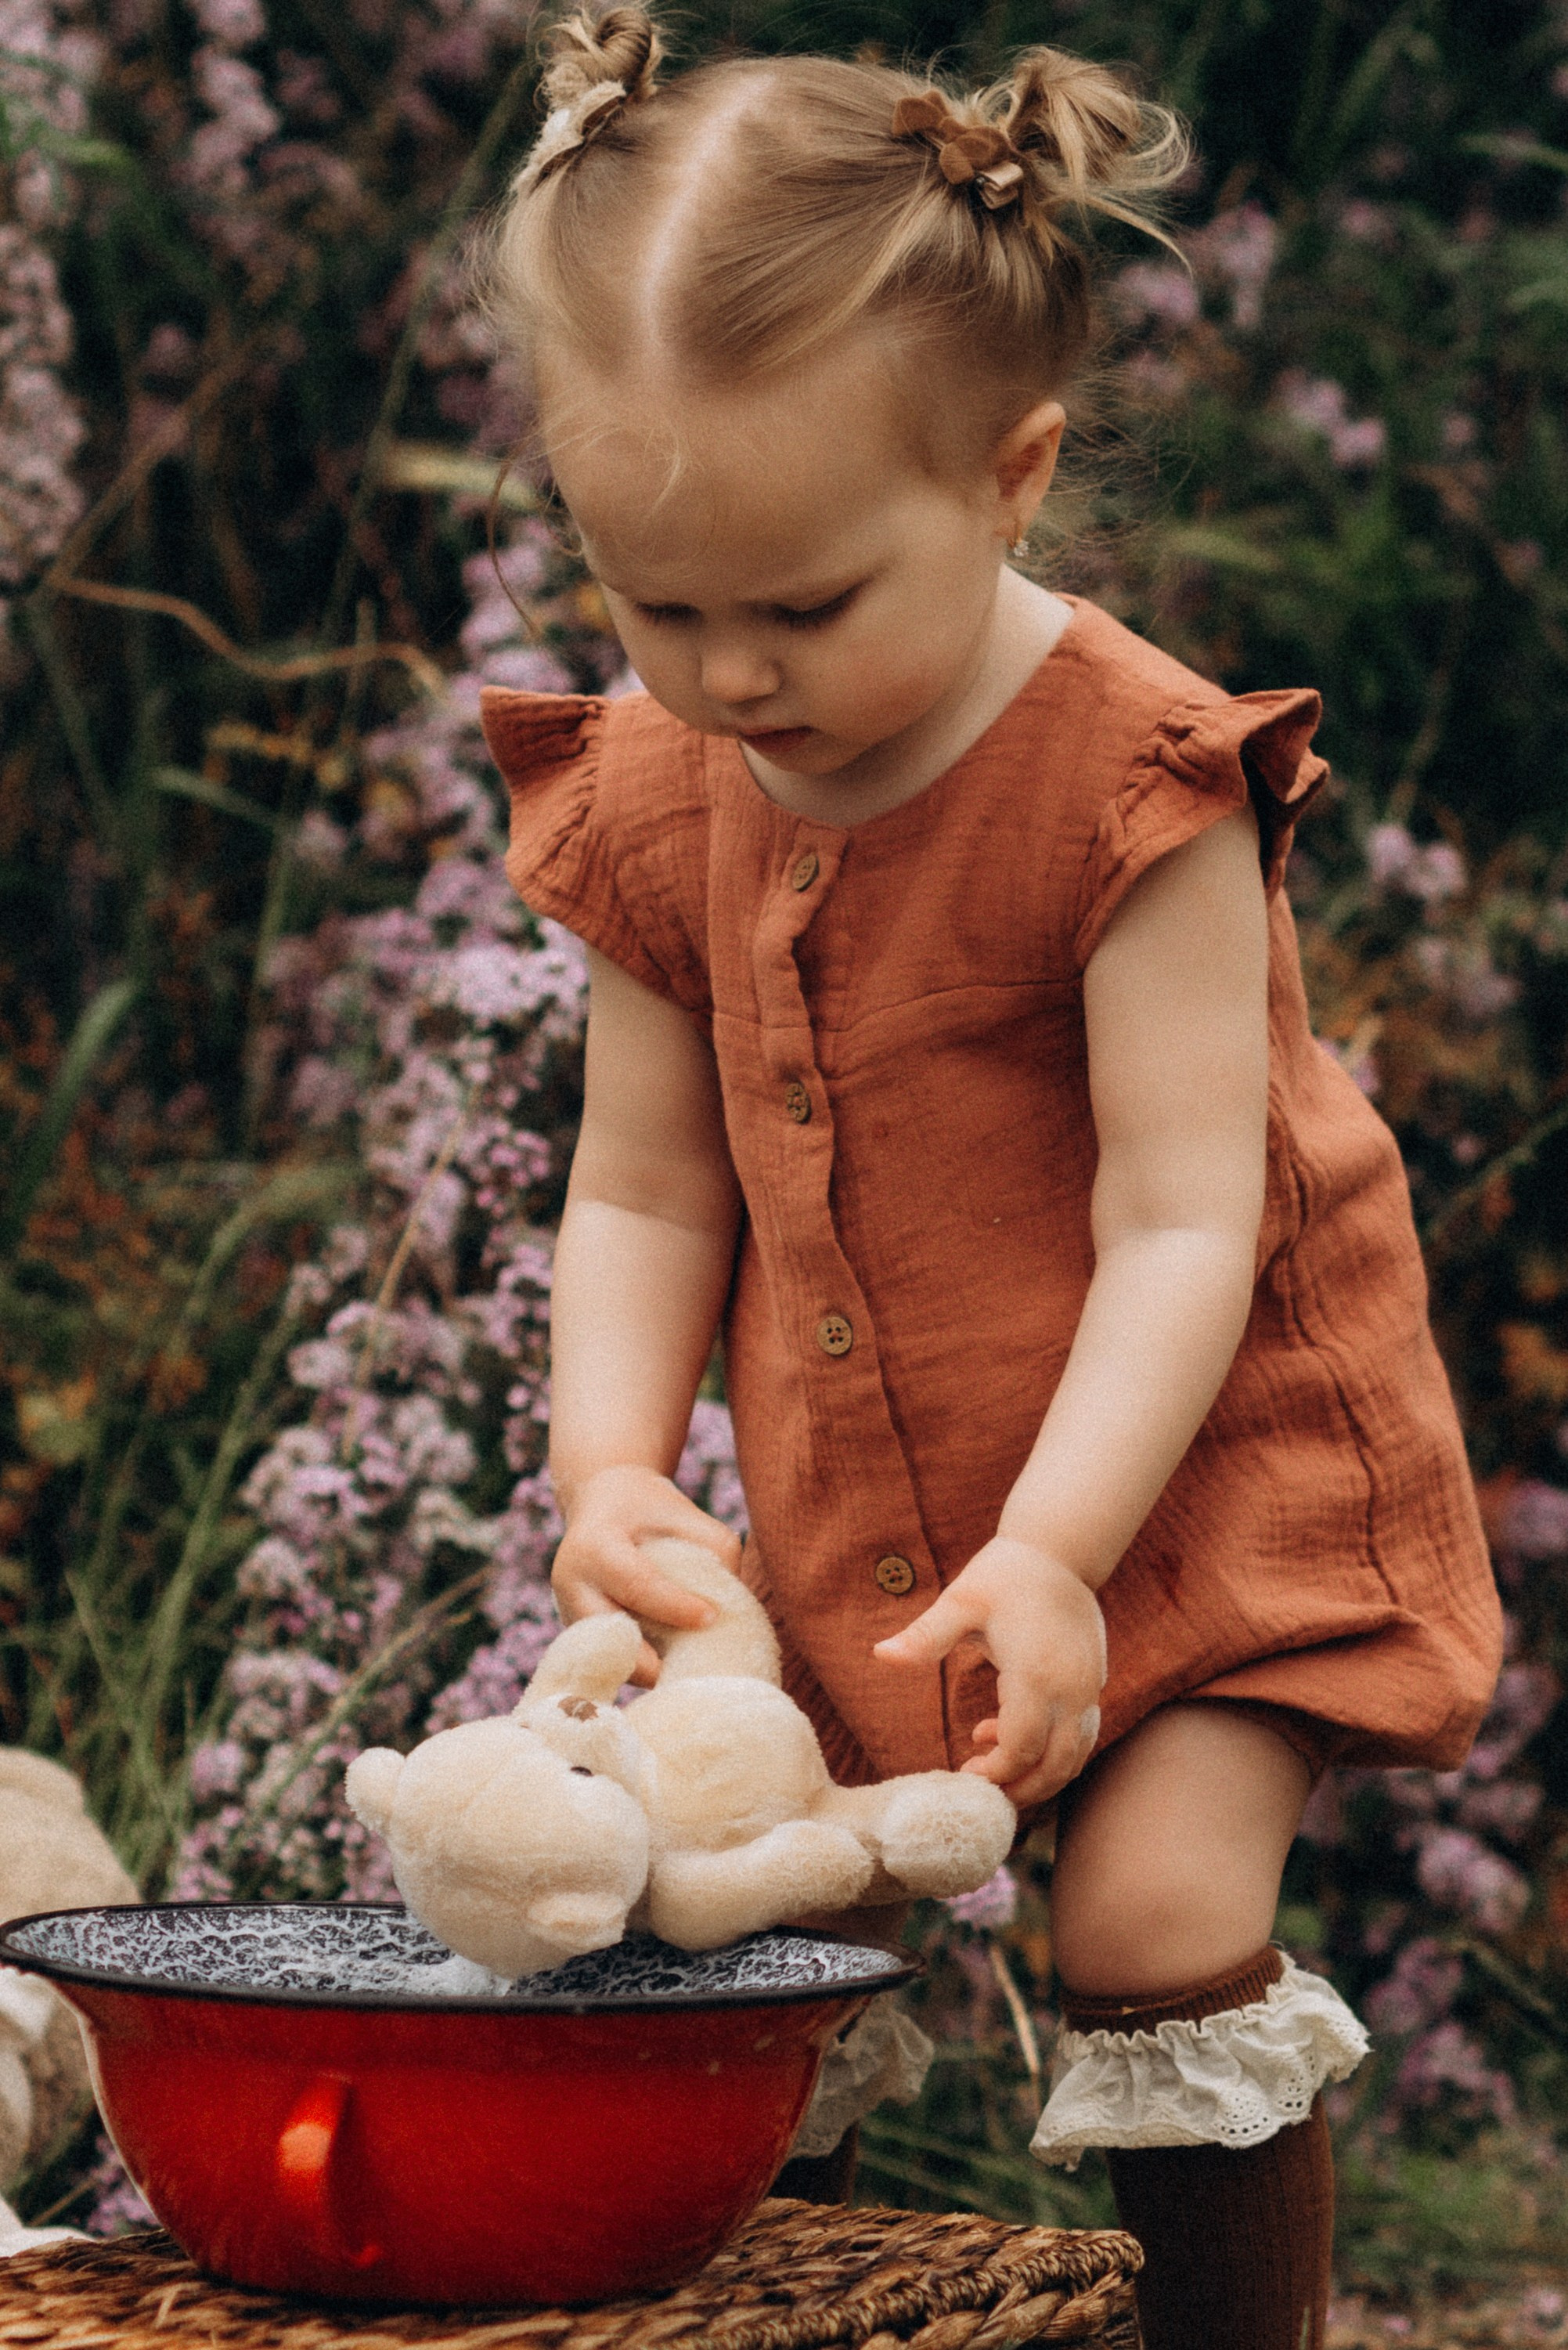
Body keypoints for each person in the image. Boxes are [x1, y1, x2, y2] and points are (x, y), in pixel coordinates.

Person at [475, 13, 1504, 2345]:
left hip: (1195, 1464)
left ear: (1011, 474)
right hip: (872, 1488)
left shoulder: (1132, 789)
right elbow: (643, 1189)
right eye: (655, 603)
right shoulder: (662, 784)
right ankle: (778, 2314)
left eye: (803, 605)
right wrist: (611, 1462)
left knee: (1142, 1920)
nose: (726, 670)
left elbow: (1183, 1216)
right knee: (749, 1924)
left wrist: (1056, 1559)